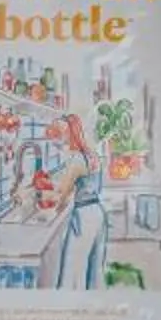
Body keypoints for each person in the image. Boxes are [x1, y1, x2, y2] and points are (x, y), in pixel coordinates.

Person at [40, 111, 110, 291]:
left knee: (73, 273)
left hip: (84, 217)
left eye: (60, 135)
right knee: (94, 273)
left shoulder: (76, 160)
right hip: (98, 214)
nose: (57, 140)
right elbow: (74, 185)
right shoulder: (91, 155)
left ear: (69, 134)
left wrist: (43, 195)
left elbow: (63, 193)